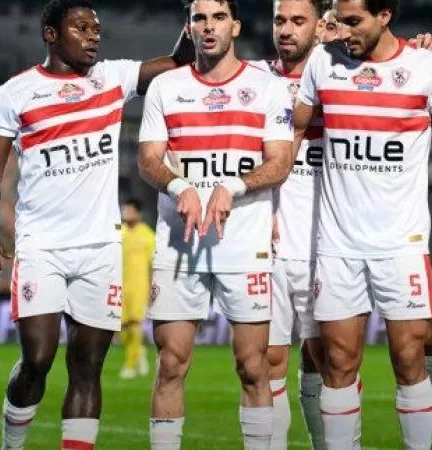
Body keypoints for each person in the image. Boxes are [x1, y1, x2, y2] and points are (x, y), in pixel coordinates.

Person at [0, 0, 193, 448]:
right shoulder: (16, 93)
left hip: (100, 250)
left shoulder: (111, 78)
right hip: (42, 246)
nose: (93, 36)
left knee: (88, 367)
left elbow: (176, 64)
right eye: (81, 28)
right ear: (51, 35)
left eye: (96, 29)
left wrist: (196, 14)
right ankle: (11, 443)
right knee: (37, 360)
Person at [292, 0, 432, 447]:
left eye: (354, 21)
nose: (344, 31)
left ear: (385, 16)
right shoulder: (321, 62)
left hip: (402, 243)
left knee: (409, 357)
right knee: (338, 362)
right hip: (337, 243)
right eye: (338, 21)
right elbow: (293, 135)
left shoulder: (426, 67)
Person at [255, 2, 432, 448]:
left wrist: (420, 50)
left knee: (362, 354)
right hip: (281, 239)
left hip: (335, 237)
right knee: (275, 361)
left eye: (303, 21)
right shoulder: (257, 79)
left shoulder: (340, 70)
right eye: (280, 20)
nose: (288, 30)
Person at [136, 1, 294, 448]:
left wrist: (234, 187)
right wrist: (177, 187)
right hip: (179, 245)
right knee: (171, 363)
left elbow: (280, 162)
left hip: (243, 244)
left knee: (253, 366)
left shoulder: (267, 88)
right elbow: (148, 159)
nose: (209, 27)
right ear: (188, 28)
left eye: (219, 17)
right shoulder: (166, 87)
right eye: (200, 18)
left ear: (236, 26)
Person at [119, 199, 156, 379]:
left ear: (138, 213)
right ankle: (139, 352)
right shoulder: (119, 232)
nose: (126, 213)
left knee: (135, 323)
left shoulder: (148, 235)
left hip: (139, 285)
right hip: (119, 285)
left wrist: (152, 288)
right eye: (125, 210)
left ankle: (130, 364)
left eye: (129, 210)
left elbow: (152, 264)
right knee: (120, 327)